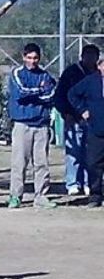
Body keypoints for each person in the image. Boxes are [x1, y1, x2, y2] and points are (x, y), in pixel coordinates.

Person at [7, 43, 57, 209]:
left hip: (41, 125)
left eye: (35, 58)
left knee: (41, 163)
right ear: (23, 57)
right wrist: (38, 91)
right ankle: (15, 196)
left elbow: (50, 95)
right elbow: (20, 93)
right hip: (22, 124)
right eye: (29, 57)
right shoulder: (17, 73)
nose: (32, 61)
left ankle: (41, 196)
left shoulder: (45, 76)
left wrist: (35, 94)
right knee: (19, 162)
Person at [54, 44, 100, 195]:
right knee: (74, 153)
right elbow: (61, 95)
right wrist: (66, 113)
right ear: (82, 56)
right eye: (88, 56)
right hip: (73, 119)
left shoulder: (98, 75)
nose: (91, 59)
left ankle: (89, 183)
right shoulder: (71, 73)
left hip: (94, 122)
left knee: (91, 154)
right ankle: (73, 183)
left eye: (94, 56)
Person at [69, 57, 104, 207]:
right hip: (96, 128)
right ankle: (95, 195)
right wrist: (82, 110)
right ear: (100, 66)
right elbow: (72, 94)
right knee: (93, 163)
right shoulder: (90, 81)